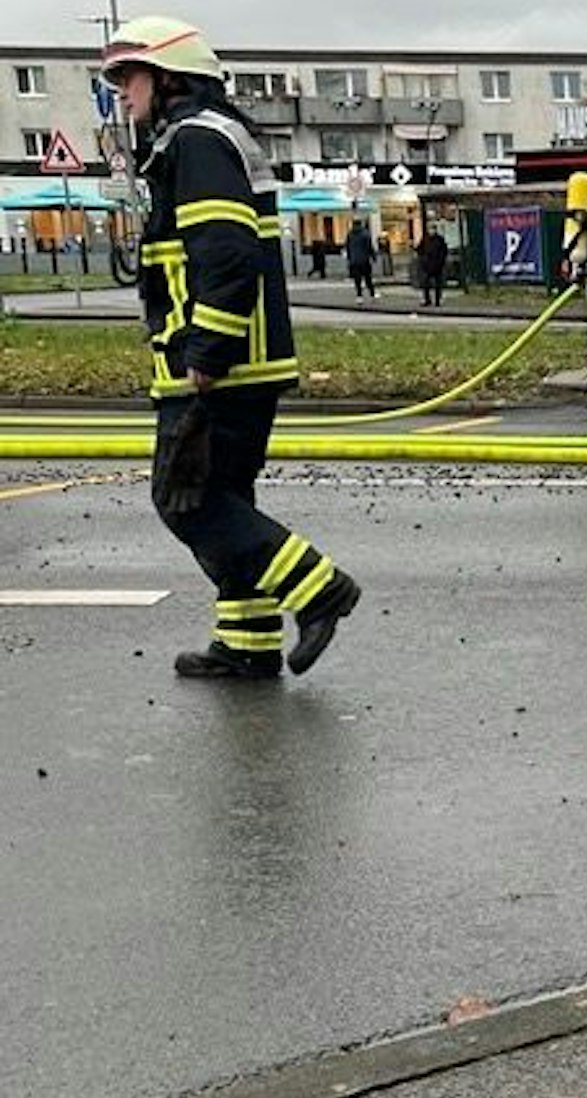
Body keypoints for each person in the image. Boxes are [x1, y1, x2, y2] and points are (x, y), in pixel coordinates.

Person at [102, 16, 360, 681]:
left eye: (129, 76)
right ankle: (247, 640)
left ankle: (317, 589)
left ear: (169, 78)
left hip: (220, 366)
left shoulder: (198, 141)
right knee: (225, 497)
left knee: (185, 499)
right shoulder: (201, 139)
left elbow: (226, 253)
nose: (121, 92)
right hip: (238, 361)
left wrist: (208, 351)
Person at [416, 225, 448, 307]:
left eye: (433, 229)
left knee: (438, 284)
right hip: (427, 265)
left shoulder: (439, 240)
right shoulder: (425, 239)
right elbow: (420, 249)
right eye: (430, 229)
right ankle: (427, 299)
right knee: (426, 283)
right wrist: (423, 259)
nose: (431, 231)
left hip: (437, 265)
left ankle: (437, 300)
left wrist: (441, 262)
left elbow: (444, 251)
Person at [344, 218, 375, 299]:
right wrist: (373, 256)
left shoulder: (350, 234)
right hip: (364, 260)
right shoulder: (365, 234)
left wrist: (349, 258)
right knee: (368, 278)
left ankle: (359, 295)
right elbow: (369, 247)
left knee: (357, 279)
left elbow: (347, 247)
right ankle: (372, 294)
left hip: (354, 260)